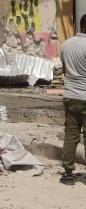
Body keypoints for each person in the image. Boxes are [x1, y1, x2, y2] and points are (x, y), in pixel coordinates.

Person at [59, 14, 86, 185]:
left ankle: (67, 173)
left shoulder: (66, 44)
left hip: (70, 96)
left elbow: (64, 69)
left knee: (71, 135)